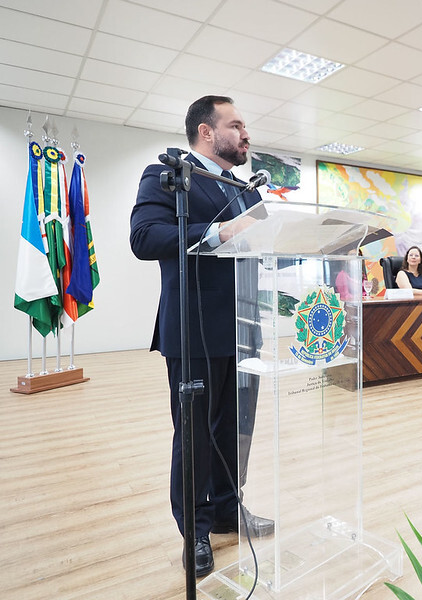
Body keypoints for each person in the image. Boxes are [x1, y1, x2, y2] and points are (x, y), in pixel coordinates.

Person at [130, 95, 274, 578]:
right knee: (194, 436)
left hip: (245, 329)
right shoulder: (168, 174)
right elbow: (144, 237)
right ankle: (195, 530)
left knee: (236, 431)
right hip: (194, 327)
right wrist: (217, 233)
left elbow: (266, 249)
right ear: (207, 133)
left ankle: (230, 510)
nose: (246, 134)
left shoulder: (247, 190)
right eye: (237, 125)